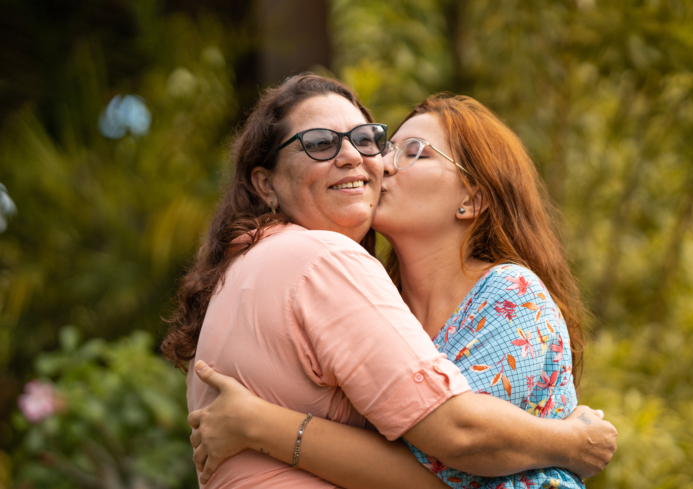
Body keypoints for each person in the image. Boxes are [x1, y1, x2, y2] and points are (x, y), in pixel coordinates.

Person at [182, 89, 616, 489]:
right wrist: (571, 441)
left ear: (471, 199)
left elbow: (455, 466)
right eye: (390, 149)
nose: (382, 164)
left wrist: (262, 426)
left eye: (414, 153)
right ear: (266, 182)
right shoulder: (376, 303)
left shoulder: (509, 293)